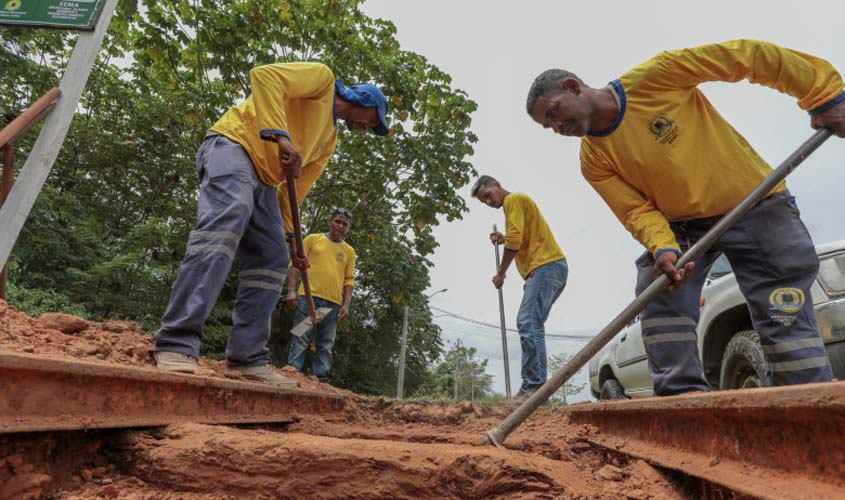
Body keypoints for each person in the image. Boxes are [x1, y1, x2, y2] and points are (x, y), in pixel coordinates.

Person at [525, 39, 845, 396]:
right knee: (659, 293)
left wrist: (823, 96)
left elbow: (748, 58)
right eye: (548, 126)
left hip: (755, 203)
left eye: (553, 113)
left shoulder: (656, 77)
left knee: (782, 307)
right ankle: (683, 403)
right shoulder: (593, 160)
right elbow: (636, 211)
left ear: (573, 86)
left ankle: (807, 402)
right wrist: (663, 247)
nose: (557, 126)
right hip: (681, 225)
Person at [153, 62, 389, 384]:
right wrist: (281, 137)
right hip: (234, 145)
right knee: (230, 216)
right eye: (373, 120)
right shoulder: (323, 81)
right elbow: (265, 76)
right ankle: (176, 341)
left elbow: (295, 190)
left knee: (273, 256)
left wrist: (292, 240)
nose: (368, 128)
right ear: (366, 101)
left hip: (264, 179)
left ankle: (247, 356)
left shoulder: (329, 141)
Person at [471, 175, 568, 400]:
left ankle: (534, 387)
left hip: (545, 266)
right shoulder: (516, 204)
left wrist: (501, 273)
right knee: (531, 323)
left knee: (528, 322)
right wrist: (504, 239)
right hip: (551, 268)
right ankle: (533, 386)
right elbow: (520, 238)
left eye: (488, 195)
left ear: (497, 184)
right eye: (484, 201)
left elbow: (516, 240)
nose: (489, 202)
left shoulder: (513, 200)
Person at [285, 208, 356, 383]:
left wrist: (346, 305)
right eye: (337, 221)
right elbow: (295, 265)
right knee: (301, 335)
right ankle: (293, 370)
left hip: (332, 303)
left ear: (348, 228)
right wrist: (291, 290)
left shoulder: (349, 251)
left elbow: (349, 280)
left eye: (344, 224)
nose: (340, 226)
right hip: (308, 297)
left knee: (326, 343)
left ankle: (320, 379)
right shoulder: (313, 239)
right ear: (330, 221)